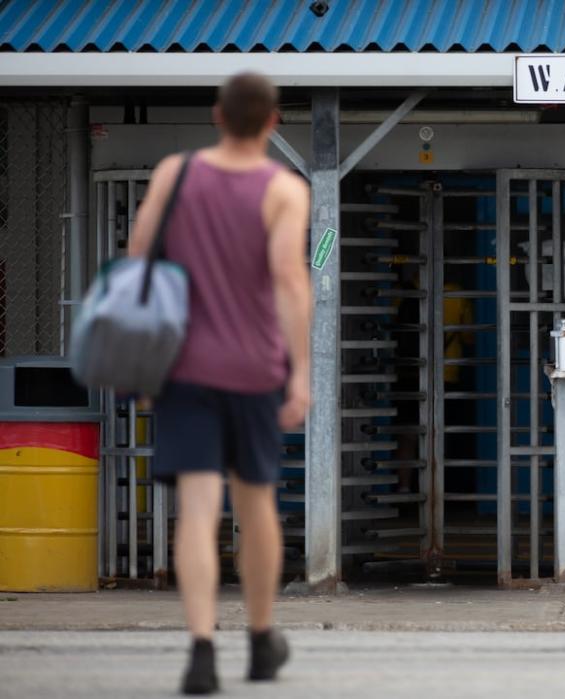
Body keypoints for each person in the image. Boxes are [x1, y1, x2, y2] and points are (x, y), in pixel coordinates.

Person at [128, 72, 310, 695]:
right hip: (253, 371)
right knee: (256, 505)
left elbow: (137, 258)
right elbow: (290, 280)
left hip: (182, 369)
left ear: (216, 114)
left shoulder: (174, 175)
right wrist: (300, 373)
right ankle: (261, 640)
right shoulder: (283, 189)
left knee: (197, 511)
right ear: (272, 122)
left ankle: (201, 649)